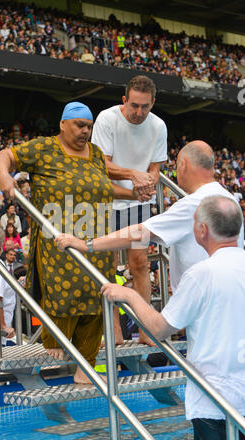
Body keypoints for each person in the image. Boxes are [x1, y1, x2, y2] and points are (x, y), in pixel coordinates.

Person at [0, 101, 142, 384]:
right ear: (63, 124)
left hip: (94, 240)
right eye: (80, 125)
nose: (85, 131)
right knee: (62, 296)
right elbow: (4, 156)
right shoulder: (44, 147)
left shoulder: (96, 154)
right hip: (57, 242)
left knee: (97, 300)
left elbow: (99, 183)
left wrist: (133, 196)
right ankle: (56, 353)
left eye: (89, 126)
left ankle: (85, 373)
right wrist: (4, 177)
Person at [100, 196, 245, 440]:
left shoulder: (202, 274)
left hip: (215, 400)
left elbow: (159, 329)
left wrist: (130, 295)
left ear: (202, 230)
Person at [56, 141, 244, 297]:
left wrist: (86, 245)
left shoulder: (194, 203)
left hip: (205, 300)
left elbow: (139, 233)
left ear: (184, 164)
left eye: (177, 165)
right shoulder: (229, 199)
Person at [91, 75, 167, 344]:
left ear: (153, 103)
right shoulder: (107, 119)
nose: (139, 112)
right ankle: (115, 332)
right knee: (107, 266)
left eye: (145, 107)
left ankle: (146, 330)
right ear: (124, 100)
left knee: (141, 264)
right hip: (107, 202)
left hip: (138, 203)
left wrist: (148, 184)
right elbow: (103, 164)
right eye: (134, 105)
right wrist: (134, 176)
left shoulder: (158, 126)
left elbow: (156, 169)